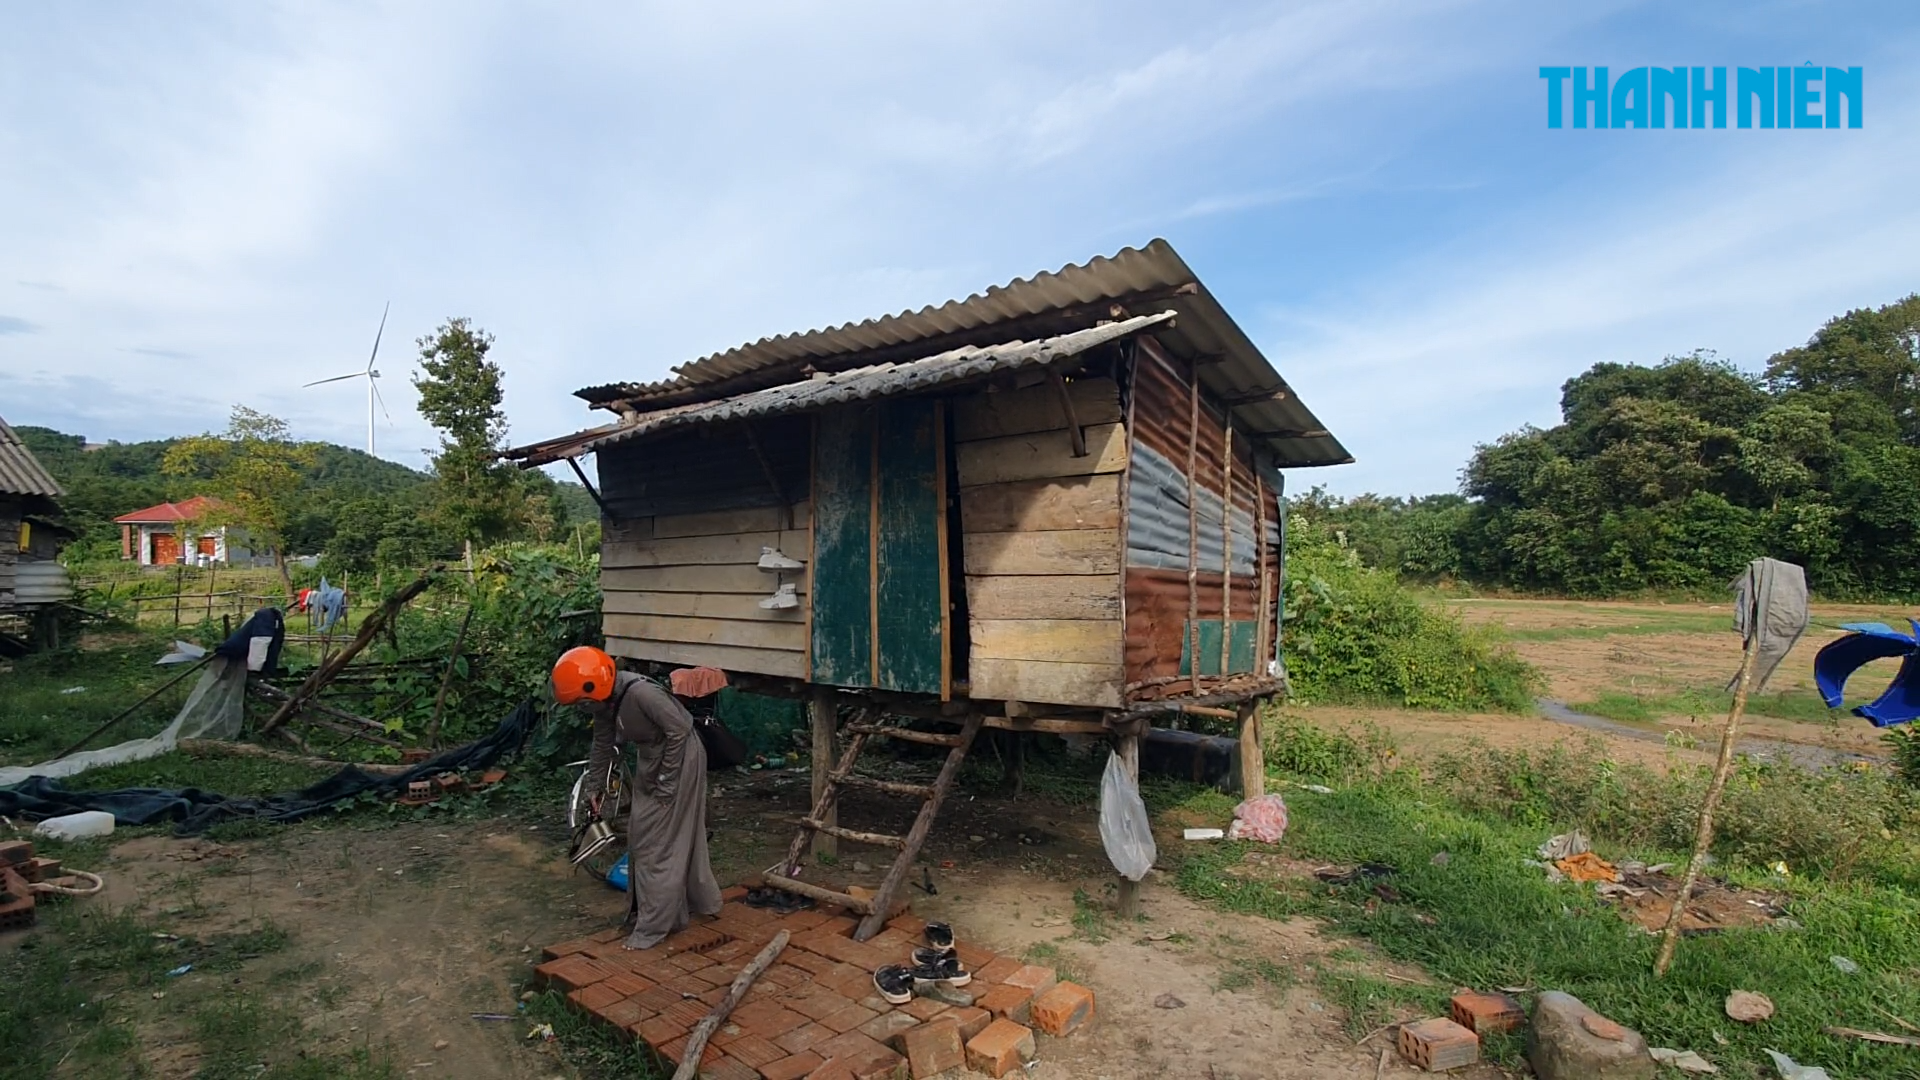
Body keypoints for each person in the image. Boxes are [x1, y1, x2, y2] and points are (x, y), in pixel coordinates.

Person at [552, 645, 722, 950]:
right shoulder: (605, 704)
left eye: (583, 701)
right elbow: (602, 745)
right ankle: (681, 905)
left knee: (656, 843)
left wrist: (667, 786)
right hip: (652, 758)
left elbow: (680, 731)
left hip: (681, 757)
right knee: (642, 834)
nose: (583, 707)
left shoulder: (642, 694)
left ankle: (656, 925)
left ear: (597, 684)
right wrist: (595, 789)